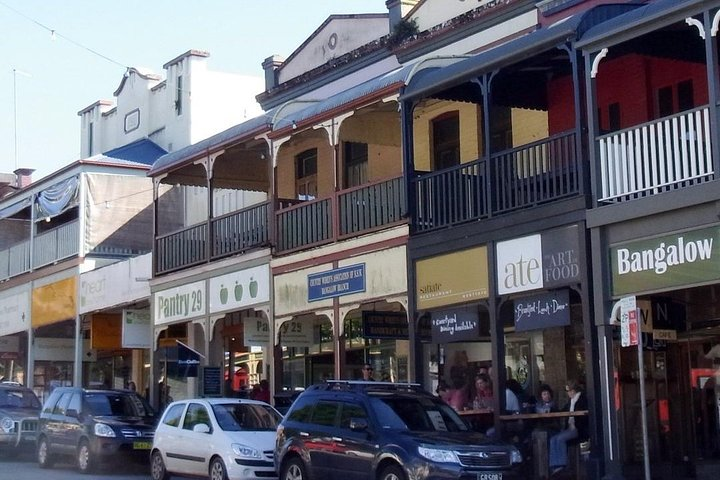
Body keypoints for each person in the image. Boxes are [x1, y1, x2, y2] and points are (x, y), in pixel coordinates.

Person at [549, 380, 589, 476]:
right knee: (552, 439)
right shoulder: (570, 401)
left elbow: (582, 415)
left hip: (578, 429)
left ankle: (562, 464)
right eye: (567, 391)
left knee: (560, 439)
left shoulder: (581, 399)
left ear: (574, 390)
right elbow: (563, 410)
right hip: (570, 428)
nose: (568, 393)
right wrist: (552, 411)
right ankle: (554, 464)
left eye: (570, 391)